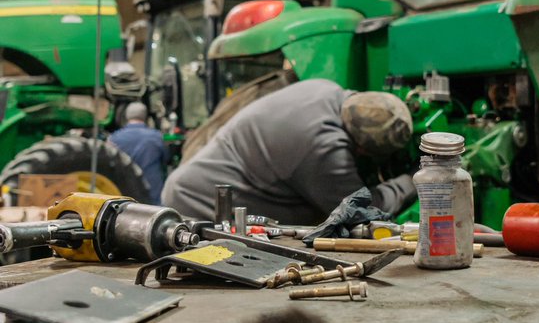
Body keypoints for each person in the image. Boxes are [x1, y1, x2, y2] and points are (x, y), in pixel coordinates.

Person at [161, 78, 416, 224]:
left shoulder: (325, 88)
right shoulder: (323, 147)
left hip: (191, 183)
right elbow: (359, 210)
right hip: (200, 204)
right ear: (362, 148)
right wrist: (413, 181)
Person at [108, 102, 169, 204]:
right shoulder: (156, 137)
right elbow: (167, 159)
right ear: (145, 116)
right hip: (153, 196)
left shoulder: (114, 138)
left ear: (126, 116)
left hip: (126, 196)